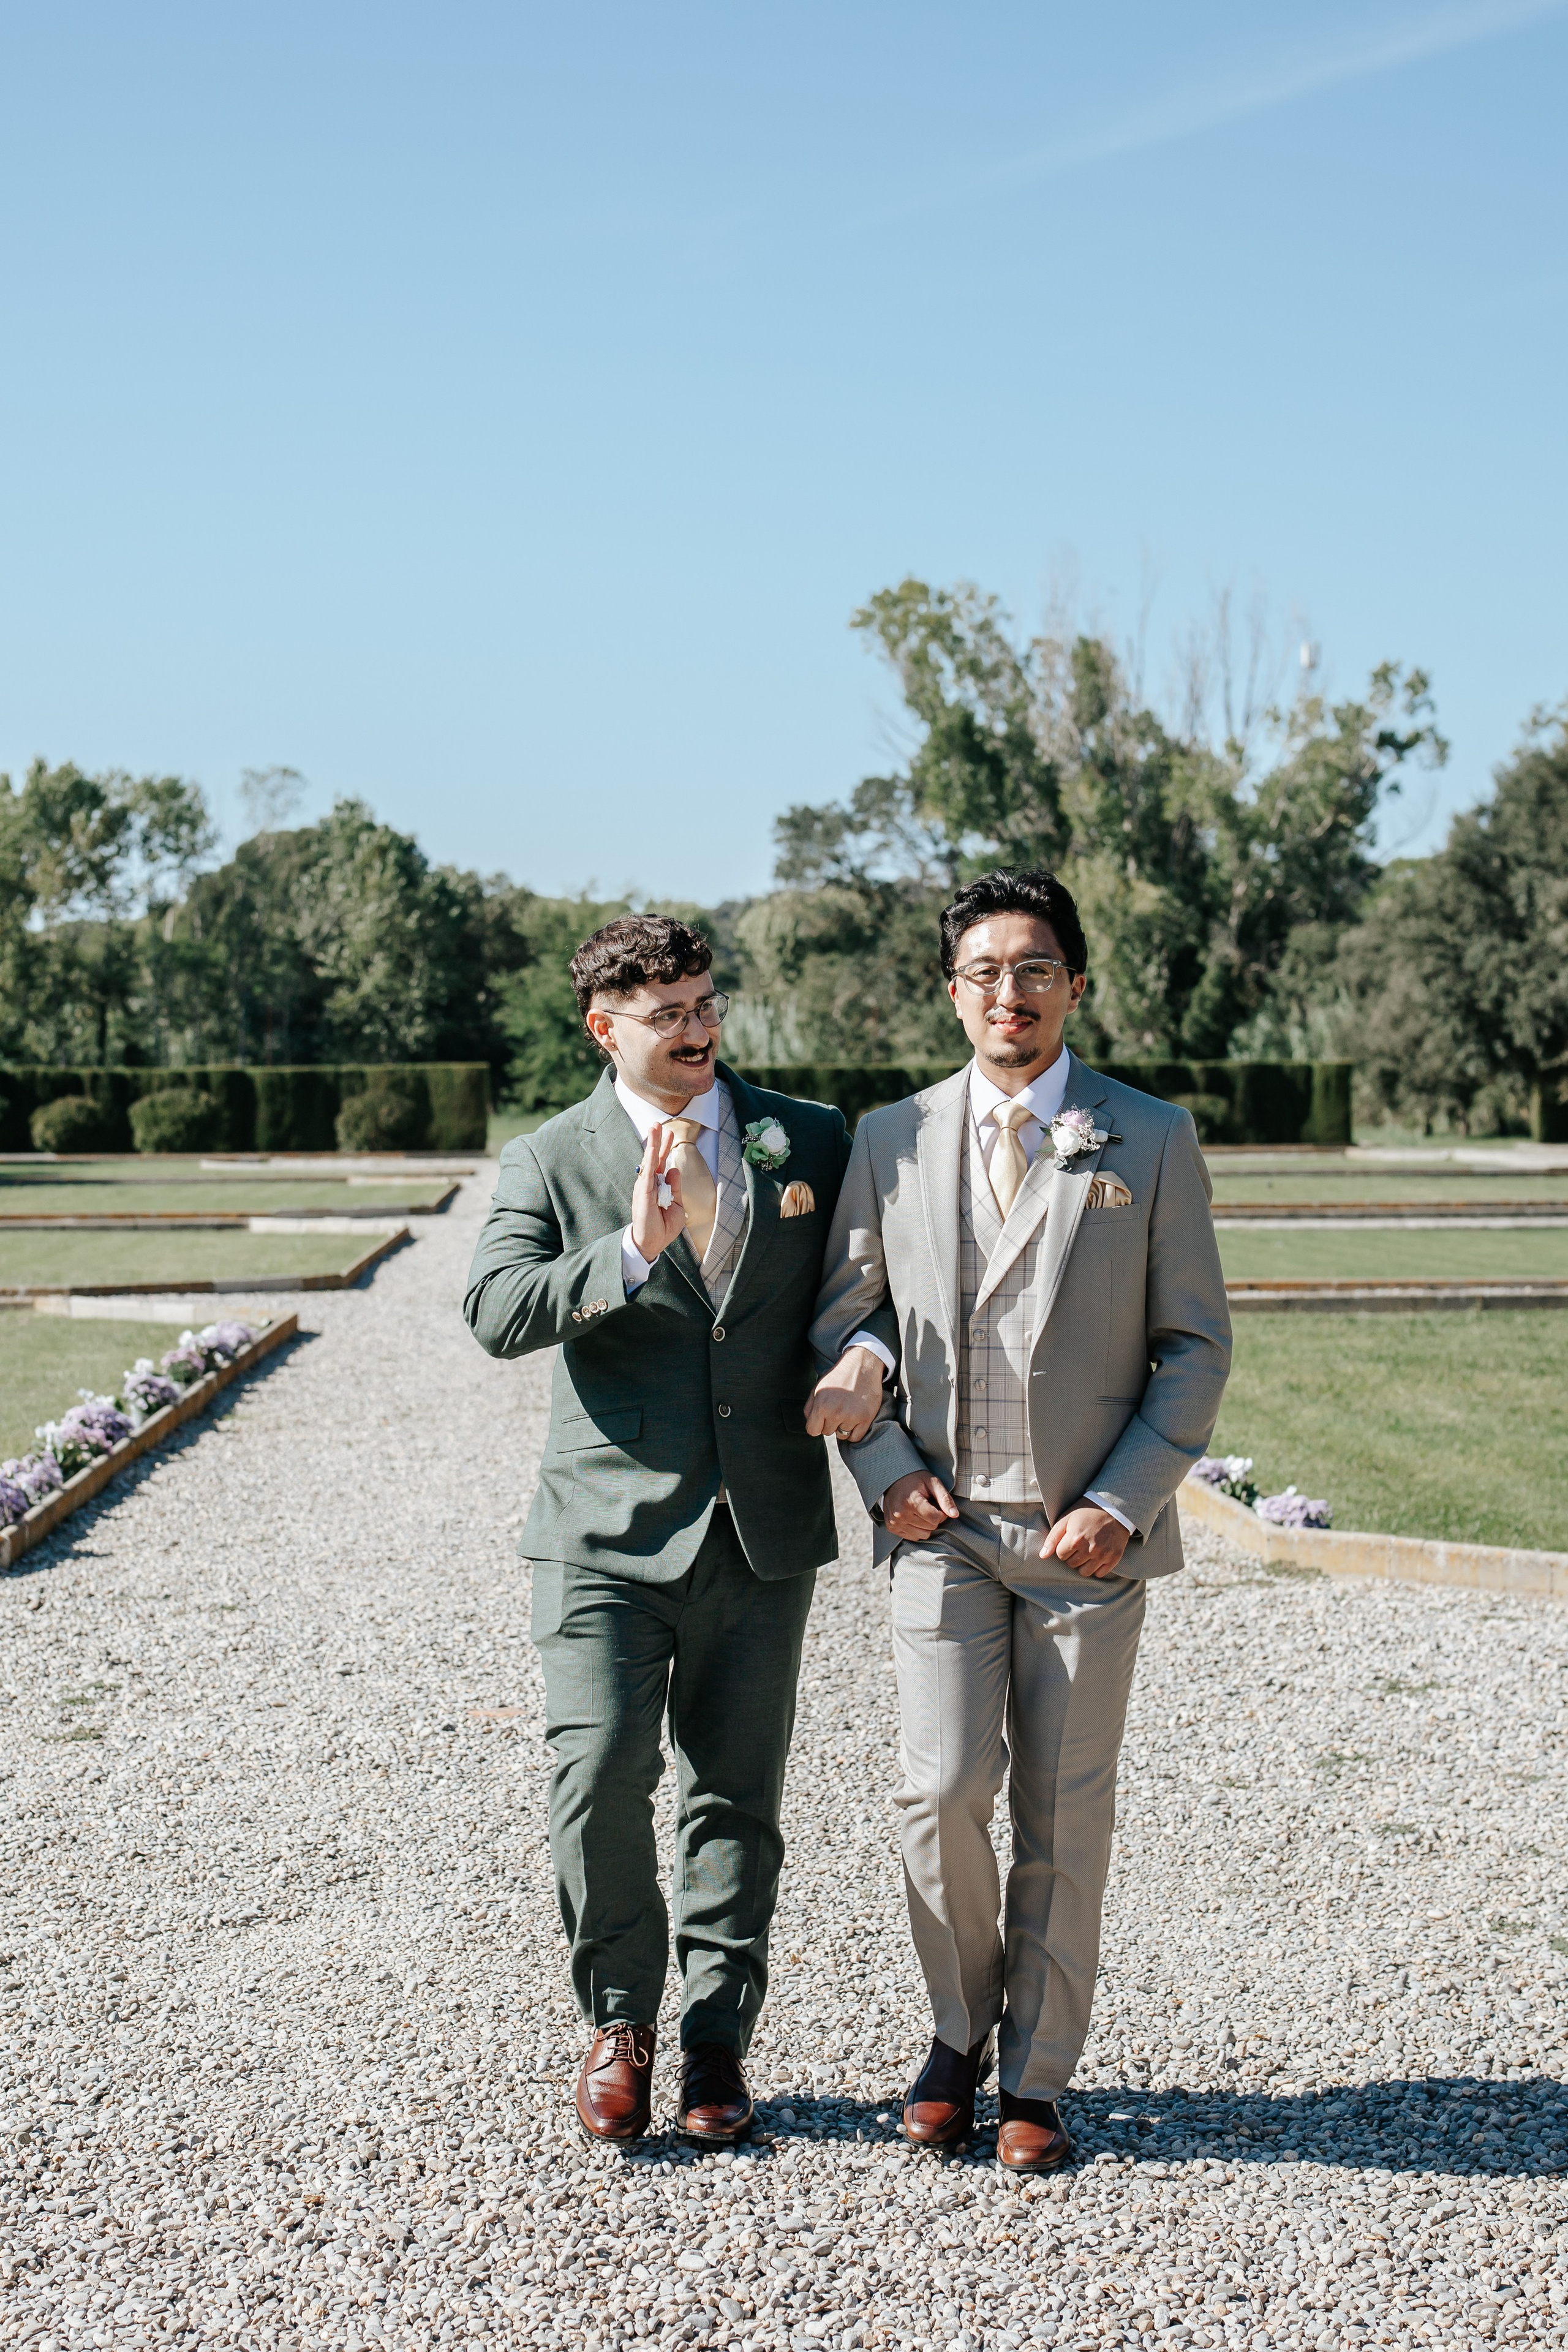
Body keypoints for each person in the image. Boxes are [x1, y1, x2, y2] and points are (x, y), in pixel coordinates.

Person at [809, 869, 1231, 2171]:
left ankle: (1033, 2073)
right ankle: (954, 2031)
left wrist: (1120, 1501)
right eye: (985, 971)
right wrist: (882, 1468)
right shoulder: (888, 1138)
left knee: (1063, 1809)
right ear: (953, 993)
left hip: (1078, 1546)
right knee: (935, 1793)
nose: (1011, 992)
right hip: (935, 1529)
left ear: (1073, 985)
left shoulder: (1144, 1137)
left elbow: (1193, 1345)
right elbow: (846, 1321)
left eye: (1034, 968)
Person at [464, 913, 887, 2146]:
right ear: (605, 1029)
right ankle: (617, 2021)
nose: (697, 1028)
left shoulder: (805, 1136)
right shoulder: (547, 1159)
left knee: (737, 1799)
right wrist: (631, 1248)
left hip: (760, 1528)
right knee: (595, 1777)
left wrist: (864, 1357)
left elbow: (875, 1289)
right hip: (600, 1535)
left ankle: (714, 2042)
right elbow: (494, 1311)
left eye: (704, 1003)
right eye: (667, 1013)